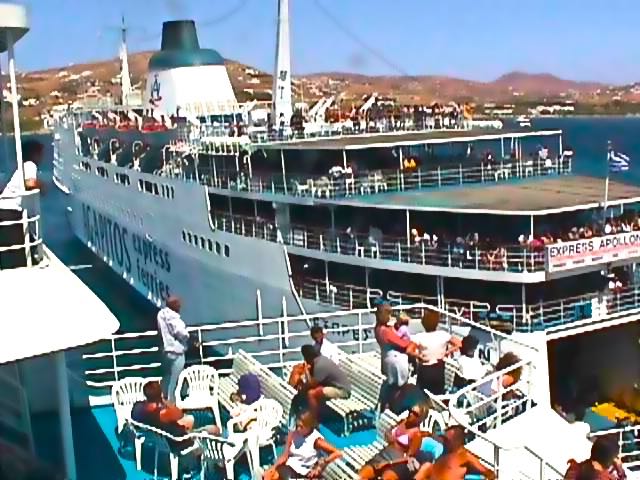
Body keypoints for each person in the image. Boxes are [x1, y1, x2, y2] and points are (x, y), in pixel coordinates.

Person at [0, 140, 45, 269]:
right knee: (17, 253)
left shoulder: (21, 167)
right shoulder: (30, 165)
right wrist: (43, 186)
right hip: (10, 212)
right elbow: (30, 183)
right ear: (34, 154)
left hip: (6, 210)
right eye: (40, 153)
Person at [359, 403, 434, 480]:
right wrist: (390, 436)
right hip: (384, 454)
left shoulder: (417, 434)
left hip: (396, 462)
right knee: (360, 476)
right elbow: (389, 431)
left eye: (415, 413)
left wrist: (388, 463)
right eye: (410, 411)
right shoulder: (403, 421)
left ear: (421, 418)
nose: (410, 414)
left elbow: (409, 458)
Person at [264, 411, 341, 480]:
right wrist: (273, 468)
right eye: (297, 426)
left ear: (309, 427)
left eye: (301, 427)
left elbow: (337, 453)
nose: (298, 429)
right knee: (268, 476)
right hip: (289, 469)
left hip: (305, 474)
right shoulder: (293, 435)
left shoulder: (316, 440)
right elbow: (285, 456)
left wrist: (322, 464)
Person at [375, 303, 424, 410]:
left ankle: (386, 406)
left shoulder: (378, 329)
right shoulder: (385, 331)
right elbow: (403, 344)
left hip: (387, 358)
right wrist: (413, 342)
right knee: (398, 387)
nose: (390, 317)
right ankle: (394, 408)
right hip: (396, 361)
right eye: (388, 314)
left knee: (391, 384)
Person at [415, 425, 495, 480]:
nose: (444, 442)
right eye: (444, 439)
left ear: (457, 441)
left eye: (447, 440)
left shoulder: (465, 456)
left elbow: (490, 474)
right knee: (426, 467)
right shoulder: (443, 453)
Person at [412, 311, 461, 395]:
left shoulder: (419, 336)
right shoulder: (443, 335)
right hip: (439, 369)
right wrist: (446, 352)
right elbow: (459, 343)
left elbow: (409, 350)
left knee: (422, 396)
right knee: (437, 393)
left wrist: (419, 356)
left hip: (425, 370)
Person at [157, 296, 191, 402]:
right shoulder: (174, 317)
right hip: (177, 352)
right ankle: (171, 405)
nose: (180, 306)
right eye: (178, 304)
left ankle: (162, 400)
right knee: (175, 381)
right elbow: (181, 333)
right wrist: (188, 336)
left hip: (165, 351)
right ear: (175, 306)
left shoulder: (161, 314)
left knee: (166, 377)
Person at [300, 344, 351, 415]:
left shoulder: (319, 365)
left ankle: (313, 418)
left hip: (342, 391)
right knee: (314, 390)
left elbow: (311, 384)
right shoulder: (320, 360)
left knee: (312, 394)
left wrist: (306, 370)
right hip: (335, 386)